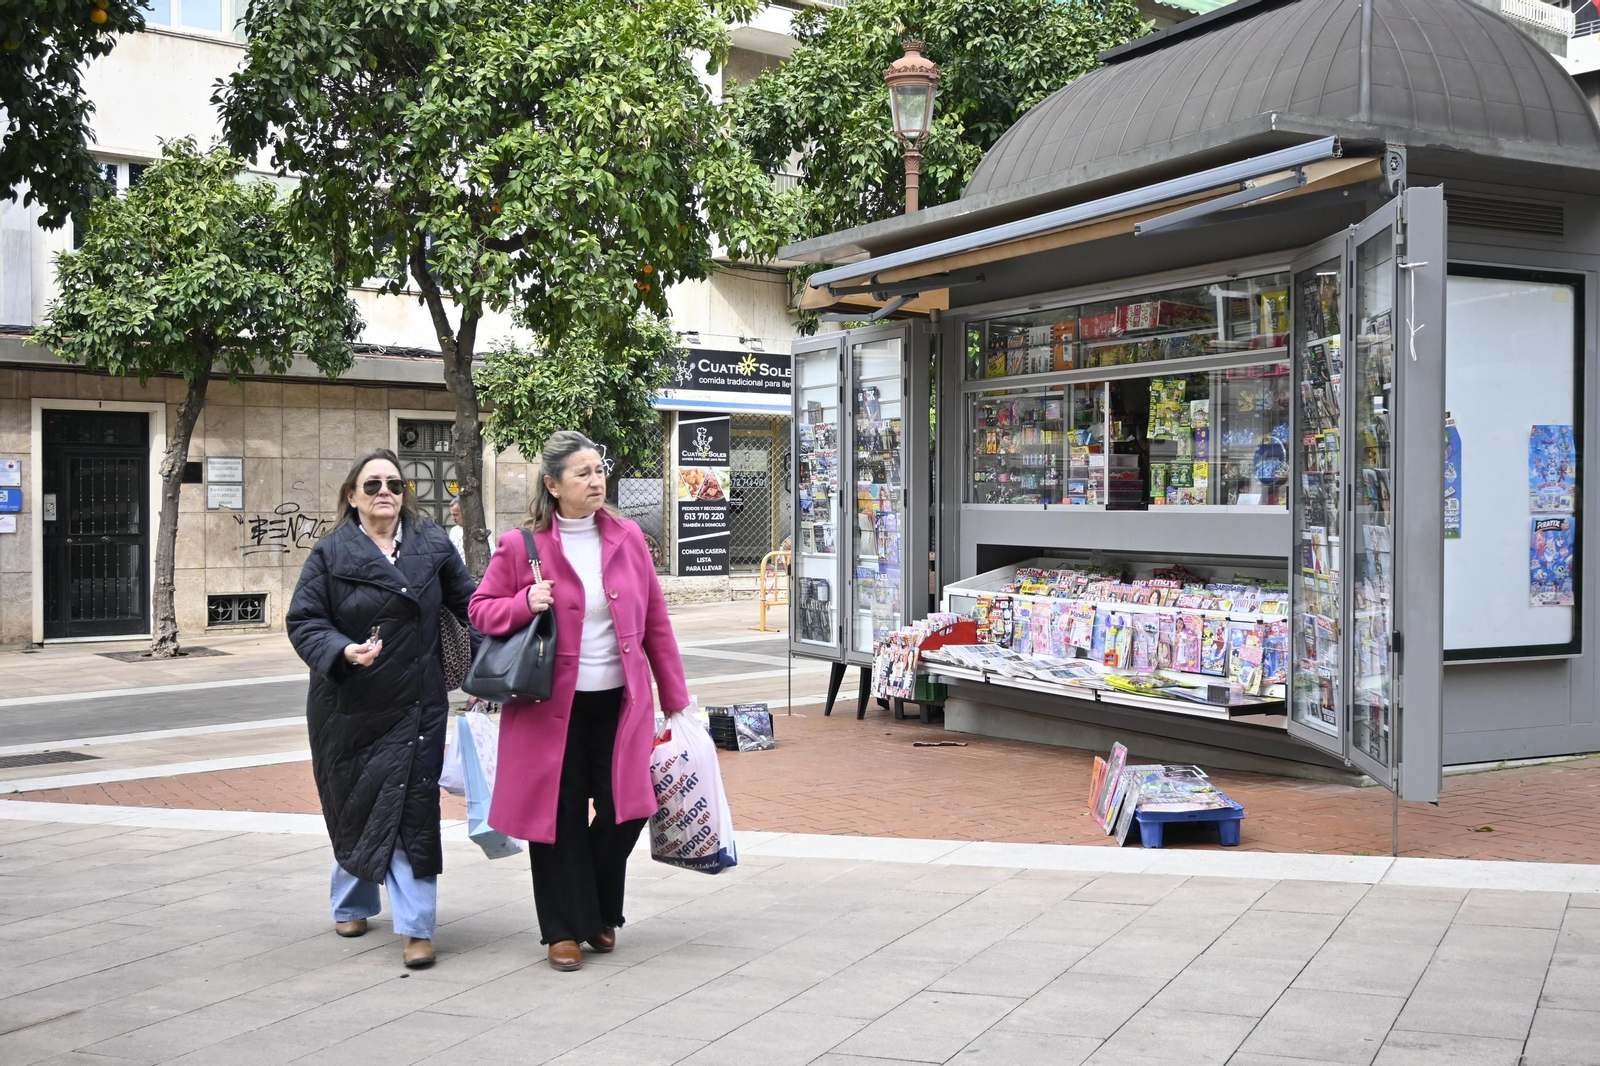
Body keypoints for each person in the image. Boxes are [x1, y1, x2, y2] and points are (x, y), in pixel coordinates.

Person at [469, 430, 690, 972]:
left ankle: (592, 906)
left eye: (599, 470)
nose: (597, 481)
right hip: (548, 707)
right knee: (559, 814)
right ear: (553, 485)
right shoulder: (522, 546)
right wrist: (523, 601)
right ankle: (565, 928)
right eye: (583, 473)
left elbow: (655, 621)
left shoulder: (628, 536)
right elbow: (479, 610)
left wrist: (675, 697)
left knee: (626, 808)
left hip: (621, 703)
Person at [286, 448, 477, 970]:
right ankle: (351, 901)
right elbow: (304, 621)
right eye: (371, 486)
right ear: (353, 497)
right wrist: (341, 651)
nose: (385, 492)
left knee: (410, 809)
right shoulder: (329, 555)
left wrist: (516, 623)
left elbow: (471, 606)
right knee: (360, 802)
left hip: (418, 704)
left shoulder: (433, 544)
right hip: (349, 705)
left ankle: (416, 928)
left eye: (394, 483)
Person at [448, 497, 494, 568]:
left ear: (464, 512)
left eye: (456, 515)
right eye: (452, 514)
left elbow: (492, 553)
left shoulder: (478, 530)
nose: (453, 518)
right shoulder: (453, 531)